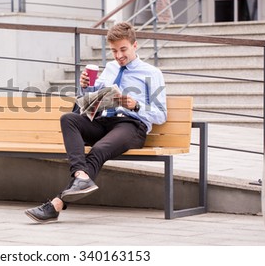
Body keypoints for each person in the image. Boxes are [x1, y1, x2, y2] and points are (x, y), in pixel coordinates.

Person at [24, 22, 167, 223]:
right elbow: (95, 97)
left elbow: (161, 114)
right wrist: (86, 86)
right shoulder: (110, 68)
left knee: (98, 150)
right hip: (103, 120)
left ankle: (55, 204)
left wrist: (135, 105)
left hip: (131, 126)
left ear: (135, 46)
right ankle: (81, 175)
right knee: (69, 119)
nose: (118, 56)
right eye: (114, 51)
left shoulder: (152, 73)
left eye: (123, 49)